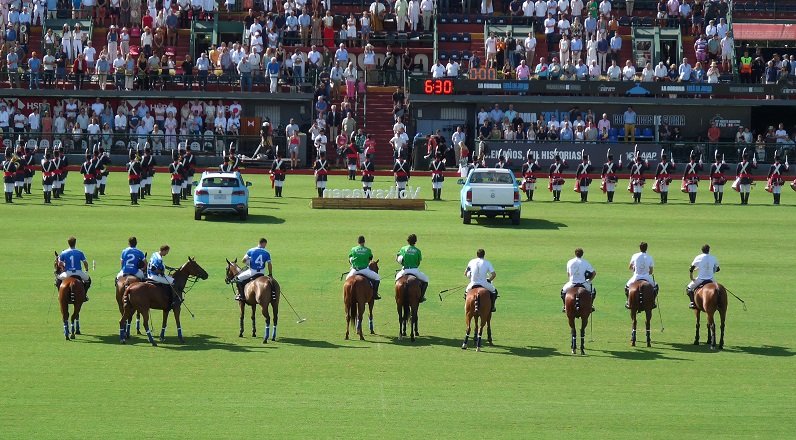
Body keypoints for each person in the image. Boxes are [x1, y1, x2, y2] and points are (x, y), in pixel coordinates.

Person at [395, 234, 429, 303]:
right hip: (415, 271)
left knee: (397, 279)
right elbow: (418, 262)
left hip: (404, 270)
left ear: (408, 241)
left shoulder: (403, 249)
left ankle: (397, 295)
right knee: (426, 280)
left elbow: (398, 258)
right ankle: (421, 297)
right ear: (415, 241)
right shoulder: (418, 251)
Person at [686, 244, 720, 309]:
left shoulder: (698, 257)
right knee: (718, 290)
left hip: (701, 279)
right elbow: (718, 269)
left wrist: (691, 277)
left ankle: (692, 303)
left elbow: (691, 268)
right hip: (711, 279)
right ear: (709, 250)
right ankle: (719, 304)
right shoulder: (713, 258)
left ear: (702, 250)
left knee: (688, 288)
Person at [347, 235, 381, 300]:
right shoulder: (368, 250)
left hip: (354, 270)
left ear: (358, 242)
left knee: (347, 280)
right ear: (364, 242)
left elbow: (350, 258)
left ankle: (346, 295)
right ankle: (374, 294)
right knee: (377, 277)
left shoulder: (353, 249)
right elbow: (370, 259)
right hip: (364, 270)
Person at [624, 242, 657, 308]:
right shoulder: (650, 257)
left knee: (626, 287)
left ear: (640, 248)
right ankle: (653, 302)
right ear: (646, 248)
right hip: (647, 277)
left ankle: (628, 301)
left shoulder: (635, 256)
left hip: (636, 277)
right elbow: (651, 271)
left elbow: (630, 267)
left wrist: (634, 268)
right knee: (656, 287)